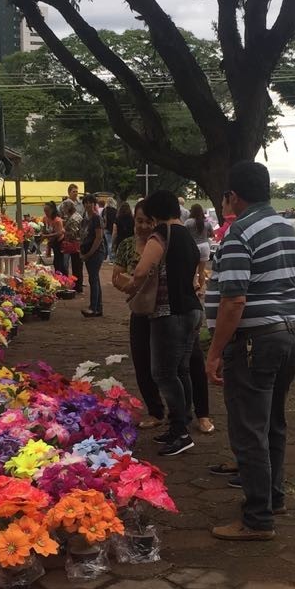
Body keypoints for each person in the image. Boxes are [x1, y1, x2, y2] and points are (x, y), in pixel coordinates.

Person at [205, 161, 295, 541]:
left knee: (249, 430)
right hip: (288, 334)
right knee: (273, 423)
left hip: (253, 342)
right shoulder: (285, 227)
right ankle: (273, 497)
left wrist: (214, 352)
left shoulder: (239, 233)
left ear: (234, 196)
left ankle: (258, 518)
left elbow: (233, 300)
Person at [113, 202, 214, 434]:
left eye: (149, 221)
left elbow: (140, 275)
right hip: (143, 310)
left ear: (157, 221)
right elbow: (119, 276)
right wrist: (131, 286)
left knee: (183, 366)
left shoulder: (165, 240)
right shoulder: (128, 245)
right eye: (139, 221)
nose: (144, 226)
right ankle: (160, 413)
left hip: (169, 311)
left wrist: (135, 282)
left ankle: (194, 417)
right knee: (145, 362)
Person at [128, 190, 202, 456]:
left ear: (157, 214)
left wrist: (131, 285)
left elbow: (141, 270)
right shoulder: (189, 237)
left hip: (168, 312)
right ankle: (181, 422)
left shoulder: (161, 235)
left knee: (163, 373)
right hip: (193, 309)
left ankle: (180, 431)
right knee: (181, 370)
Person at [80, 193, 105, 317]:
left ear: (94, 204)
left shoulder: (96, 218)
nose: (88, 204)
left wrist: (89, 253)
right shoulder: (85, 220)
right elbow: (83, 237)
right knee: (94, 279)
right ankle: (98, 307)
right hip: (87, 252)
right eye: (86, 202)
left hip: (96, 252)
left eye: (90, 202)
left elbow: (98, 237)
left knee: (93, 279)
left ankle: (93, 307)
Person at [186, 203, 214, 296]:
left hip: (193, 246)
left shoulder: (189, 222)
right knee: (201, 271)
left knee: (192, 270)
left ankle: (193, 288)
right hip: (205, 246)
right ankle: (201, 290)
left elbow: (184, 233)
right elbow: (212, 235)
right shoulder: (206, 223)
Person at [59, 199, 83, 292]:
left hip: (75, 245)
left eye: (65, 208)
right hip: (77, 245)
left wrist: (64, 232)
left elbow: (73, 233)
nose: (63, 210)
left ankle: (77, 286)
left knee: (76, 266)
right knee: (77, 266)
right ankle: (77, 285)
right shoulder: (76, 216)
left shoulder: (74, 218)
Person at [43, 201, 67, 275]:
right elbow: (45, 229)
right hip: (53, 242)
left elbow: (59, 233)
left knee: (59, 262)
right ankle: (60, 277)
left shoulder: (57, 220)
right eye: (45, 211)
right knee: (56, 262)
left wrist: (46, 236)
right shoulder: (46, 218)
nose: (46, 213)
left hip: (59, 242)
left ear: (52, 210)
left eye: (47, 211)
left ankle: (62, 278)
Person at [103, 197, 118, 263]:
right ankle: (113, 257)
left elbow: (102, 219)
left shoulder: (105, 210)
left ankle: (111, 257)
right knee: (113, 243)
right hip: (114, 228)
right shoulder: (115, 210)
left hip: (106, 228)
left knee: (109, 243)